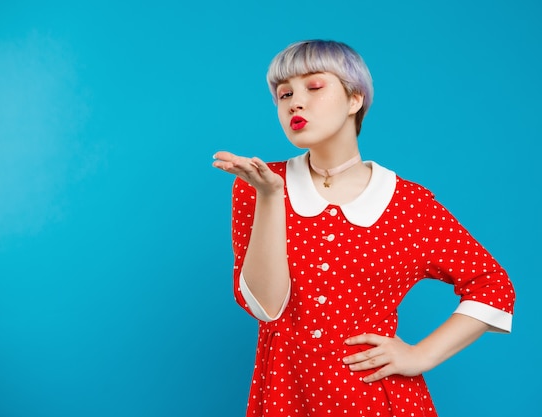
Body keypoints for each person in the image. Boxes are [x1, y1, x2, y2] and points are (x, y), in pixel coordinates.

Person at [212, 39, 515, 417]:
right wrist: (272, 197)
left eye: (314, 87)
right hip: (286, 397)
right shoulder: (258, 184)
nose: (295, 102)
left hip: (379, 400)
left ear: (354, 99)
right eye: (284, 93)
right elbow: (267, 307)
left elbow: (493, 286)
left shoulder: (408, 203)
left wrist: (420, 355)